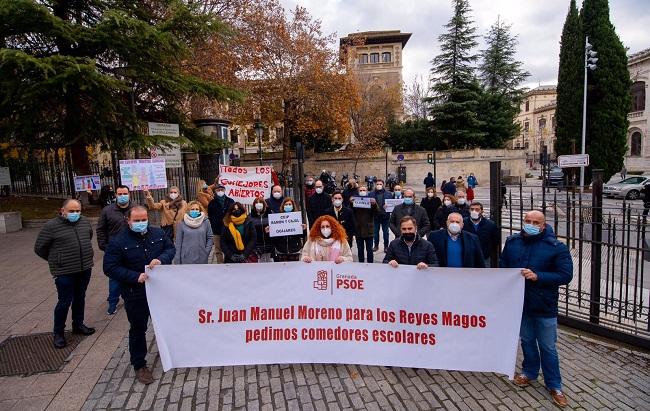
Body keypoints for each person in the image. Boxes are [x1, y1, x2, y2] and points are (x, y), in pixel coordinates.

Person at [500, 210, 573, 408]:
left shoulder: (556, 247)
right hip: (520, 304)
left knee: (548, 346)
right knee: (527, 340)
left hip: (544, 305)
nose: (531, 224)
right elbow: (503, 264)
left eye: (535, 222)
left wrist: (538, 276)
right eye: (528, 221)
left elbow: (565, 275)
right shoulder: (513, 242)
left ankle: (554, 385)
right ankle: (529, 372)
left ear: (543, 225)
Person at [103, 205, 175, 384]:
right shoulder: (118, 242)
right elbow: (110, 267)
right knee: (138, 328)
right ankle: (139, 364)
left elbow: (170, 249)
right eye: (137, 220)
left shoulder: (158, 234)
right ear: (128, 221)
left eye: (144, 220)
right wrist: (135, 277)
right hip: (135, 292)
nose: (141, 223)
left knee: (166, 322)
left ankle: (171, 352)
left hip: (160, 290)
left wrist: (162, 259)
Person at [34, 199, 96, 348]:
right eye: (71, 211)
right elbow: (39, 248)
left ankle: (78, 325)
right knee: (64, 301)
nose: (75, 214)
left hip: (84, 267)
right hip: (64, 271)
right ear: (62, 210)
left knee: (80, 297)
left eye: (78, 211)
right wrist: (56, 261)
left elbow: (88, 237)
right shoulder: (51, 226)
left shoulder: (84, 222)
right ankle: (58, 333)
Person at [97, 184, 133, 315]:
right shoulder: (107, 210)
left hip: (132, 248)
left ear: (129, 195)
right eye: (120, 194)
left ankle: (130, 299)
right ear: (116, 195)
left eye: (125, 194)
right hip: (114, 250)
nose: (122, 196)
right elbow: (100, 229)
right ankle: (112, 302)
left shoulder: (135, 208)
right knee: (115, 277)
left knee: (132, 274)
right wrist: (103, 245)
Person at [463, 202, 499, 267]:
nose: (474, 211)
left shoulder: (490, 224)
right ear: (469, 210)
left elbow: (495, 241)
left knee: (484, 276)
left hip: (484, 258)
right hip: (467, 258)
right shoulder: (463, 223)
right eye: (472, 209)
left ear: (482, 211)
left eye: (477, 209)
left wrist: (487, 251)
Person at [207, 184, 234, 263]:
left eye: (221, 190)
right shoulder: (212, 203)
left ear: (225, 190)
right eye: (218, 190)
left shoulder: (230, 201)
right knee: (218, 249)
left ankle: (228, 262)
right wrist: (213, 225)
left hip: (228, 229)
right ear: (215, 191)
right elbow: (210, 215)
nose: (220, 191)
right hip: (217, 229)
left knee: (228, 247)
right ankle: (220, 263)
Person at [350, 185, 377, 263]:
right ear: (358, 192)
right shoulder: (355, 200)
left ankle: (370, 265)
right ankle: (361, 264)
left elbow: (376, 213)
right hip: (358, 230)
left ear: (367, 191)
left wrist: (374, 204)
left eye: (364, 190)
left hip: (369, 230)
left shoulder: (370, 200)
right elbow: (350, 212)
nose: (362, 192)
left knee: (369, 250)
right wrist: (351, 203)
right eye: (361, 190)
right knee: (360, 250)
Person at [369, 179, 393, 252]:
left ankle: (386, 246)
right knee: (375, 232)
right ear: (375, 185)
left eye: (380, 184)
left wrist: (388, 206)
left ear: (383, 185)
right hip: (375, 216)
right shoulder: (371, 194)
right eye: (377, 184)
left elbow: (392, 204)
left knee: (385, 232)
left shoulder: (388, 193)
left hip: (385, 216)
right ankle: (376, 246)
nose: (379, 185)